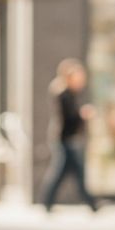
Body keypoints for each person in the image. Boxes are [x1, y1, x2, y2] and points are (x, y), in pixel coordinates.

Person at [40, 58, 101, 213]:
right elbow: (69, 117)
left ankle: (90, 203)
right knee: (65, 173)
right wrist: (83, 114)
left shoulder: (70, 94)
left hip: (69, 139)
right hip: (65, 139)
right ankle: (90, 203)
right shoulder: (63, 94)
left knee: (68, 173)